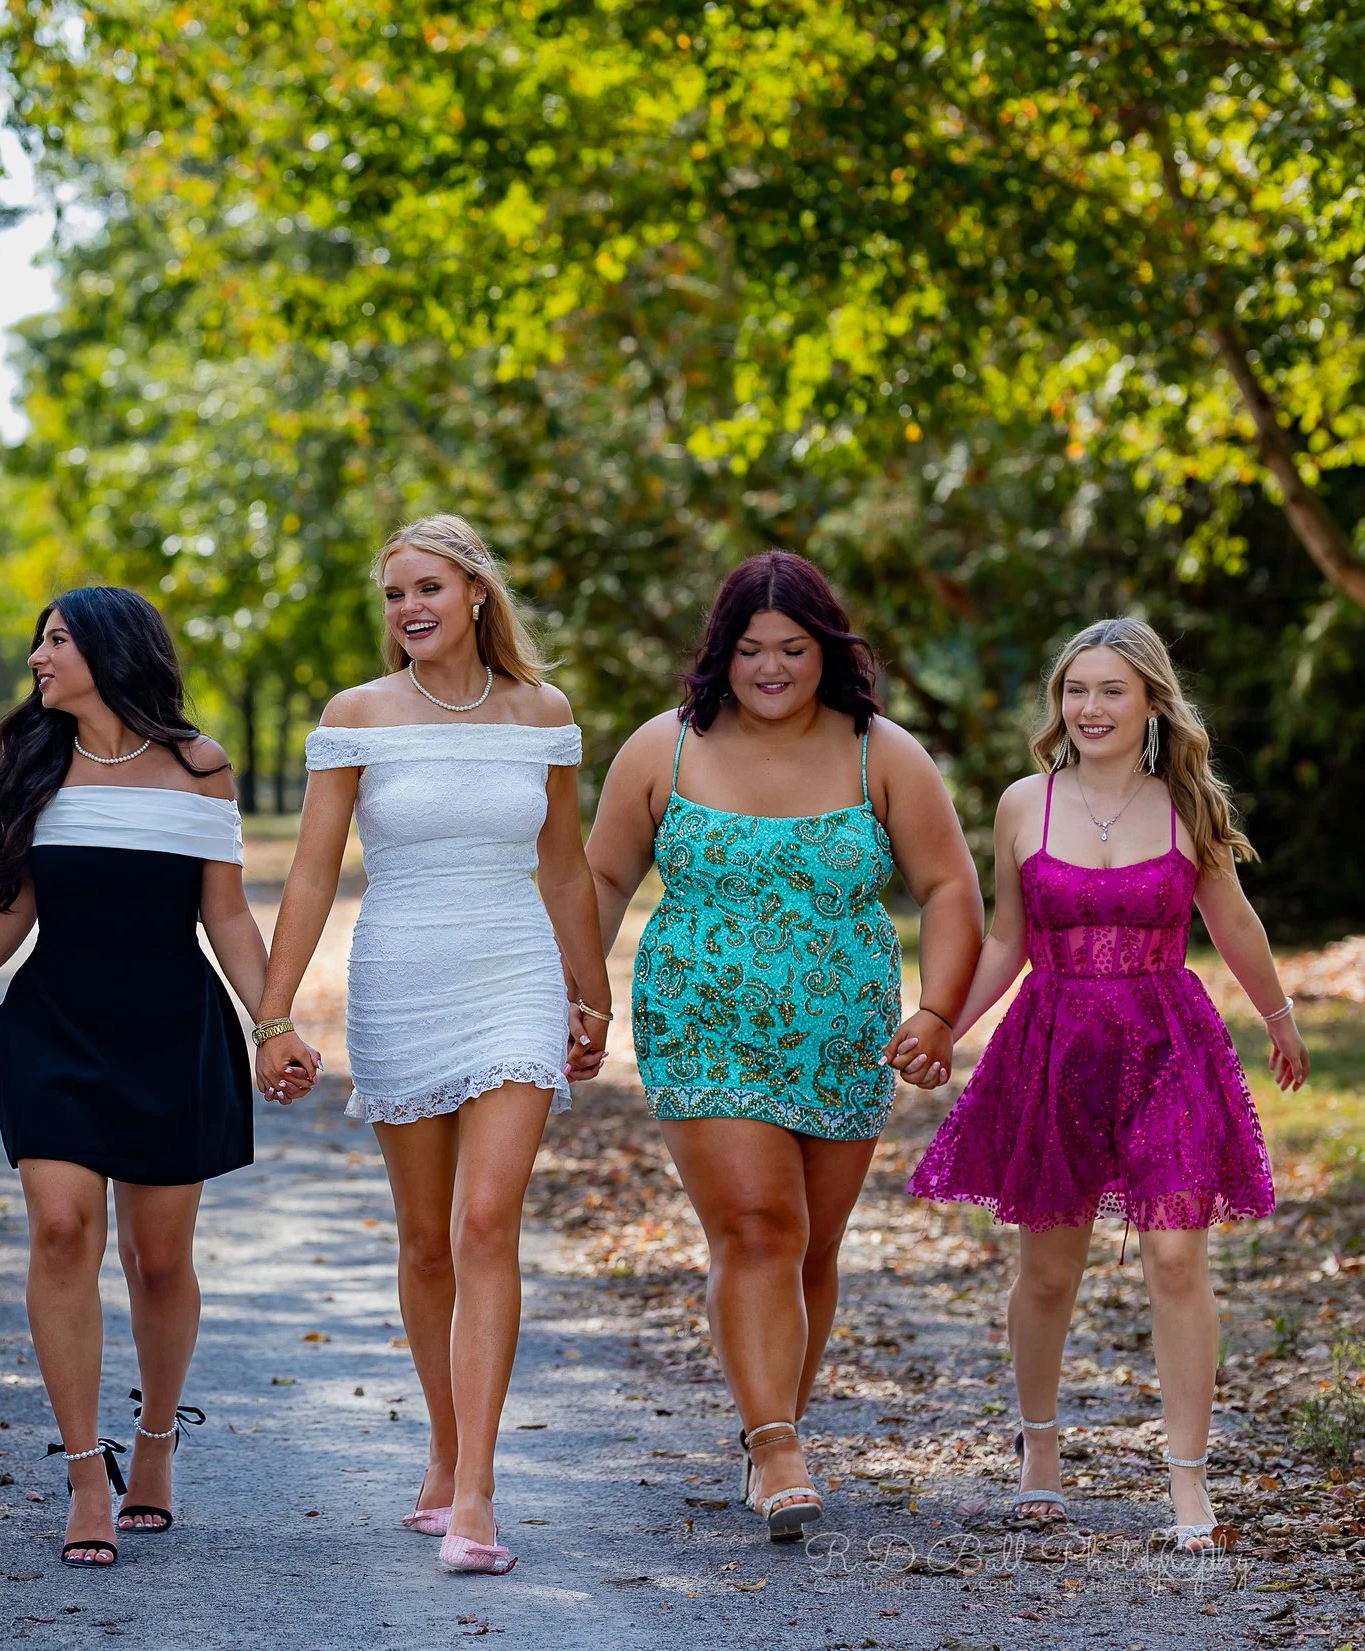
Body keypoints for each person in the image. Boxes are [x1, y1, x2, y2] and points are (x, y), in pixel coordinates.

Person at [585, 549, 983, 1543]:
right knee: (758, 1227)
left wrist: (936, 1012)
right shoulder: (663, 749)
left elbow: (948, 888)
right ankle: (775, 1447)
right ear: (720, 652)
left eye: (792, 648)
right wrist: (578, 999)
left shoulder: (878, 752)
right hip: (700, 1024)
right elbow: (597, 880)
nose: (770, 667)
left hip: (842, 1036)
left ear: (824, 651)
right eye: (751, 648)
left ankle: (775, 1425)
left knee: (811, 1245)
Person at [256, 515, 607, 1576]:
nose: (410, 608)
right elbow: (313, 872)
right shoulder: (355, 715)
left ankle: (477, 1491)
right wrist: (274, 1013)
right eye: (395, 594)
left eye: (428, 588)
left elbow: (562, 867)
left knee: (486, 1220)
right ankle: (444, 1444)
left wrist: (589, 994)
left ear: (476, 595)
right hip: (402, 972)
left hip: (512, 971)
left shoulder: (542, 713)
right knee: (425, 1240)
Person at [907, 618, 1303, 1552]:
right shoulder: (1022, 805)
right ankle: (1039, 1451)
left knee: (1175, 1256)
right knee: (1048, 1271)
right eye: (1075, 690)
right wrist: (946, 1031)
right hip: (1054, 1047)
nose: (1090, 707)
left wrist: (1281, 1016)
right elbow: (1006, 939)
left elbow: (1234, 920)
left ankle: (1188, 1482)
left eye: (1111, 690)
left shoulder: (1188, 806)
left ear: (1152, 702)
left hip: (1168, 1043)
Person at [0, 587, 271, 1569]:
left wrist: (277, 1021)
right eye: (38, 639)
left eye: (55, 639)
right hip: (56, 1027)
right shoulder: (37, 763)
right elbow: (11, 908)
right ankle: (89, 1470)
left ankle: (158, 1440)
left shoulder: (201, 766)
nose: (38, 656)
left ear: (109, 650)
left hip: (174, 1029)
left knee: (157, 1260)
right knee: (59, 1225)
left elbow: (226, 913)